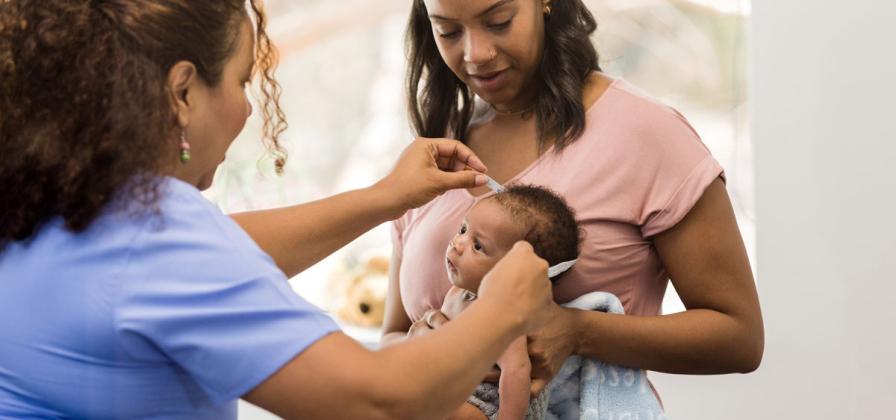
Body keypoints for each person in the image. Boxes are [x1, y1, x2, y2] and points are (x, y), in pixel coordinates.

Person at [0, 1, 558, 419]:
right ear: (183, 92)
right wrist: (504, 310)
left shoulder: (50, 194)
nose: (248, 107)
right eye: (244, 80)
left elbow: (223, 248)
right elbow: (377, 401)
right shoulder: (158, 236)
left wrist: (387, 196)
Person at [383, 0, 765, 402]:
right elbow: (392, 334)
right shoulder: (434, 154)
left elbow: (739, 337)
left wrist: (576, 331)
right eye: (448, 31)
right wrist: (417, 344)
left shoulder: (647, 134)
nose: (476, 54)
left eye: (498, 22)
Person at [433, 185, 580, 420]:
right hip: (452, 389)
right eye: (463, 230)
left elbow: (516, 372)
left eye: (478, 246)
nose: (457, 244)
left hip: (490, 404)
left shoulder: (507, 317)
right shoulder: (456, 294)